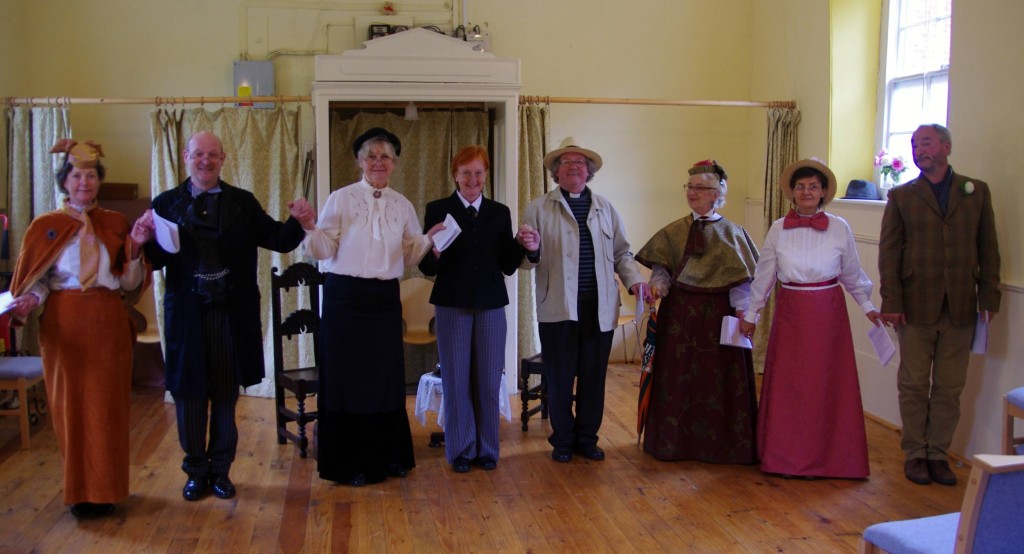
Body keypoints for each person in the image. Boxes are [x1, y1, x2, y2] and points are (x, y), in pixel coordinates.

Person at [143, 131, 314, 501]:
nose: (205, 161)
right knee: (188, 395)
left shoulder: (242, 202)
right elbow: (155, 262)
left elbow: (278, 239)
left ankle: (220, 471)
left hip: (228, 316)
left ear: (223, 159)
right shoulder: (166, 203)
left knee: (224, 394)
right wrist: (143, 239)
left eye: (213, 155)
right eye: (198, 154)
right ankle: (195, 470)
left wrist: (299, 221)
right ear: (187, 157)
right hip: (187, 317)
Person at [8, 140, 152, 518]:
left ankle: (107, 491)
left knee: (107, 409)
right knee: (70, 408)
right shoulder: (45, 227)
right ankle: (78, 492)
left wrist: (135, 250)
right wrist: (28, 300)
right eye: (76, 176)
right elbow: (38, 283)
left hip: (107, 323)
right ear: (65, 181)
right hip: (64, 326)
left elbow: (127, 284)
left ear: (99, 181)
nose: (84, 182)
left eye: (90, 175)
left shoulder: (115, 224)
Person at [304, 128, 444, 485]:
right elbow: (322, 250)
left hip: (384, 298)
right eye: (371, 156)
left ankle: (387, 458)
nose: (378, 162)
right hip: (344, 298)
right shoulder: (341, 198)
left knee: (383, 378)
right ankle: (349, 463)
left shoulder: (403, 204)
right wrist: (308, 227)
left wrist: (431, 238)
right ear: (360, 162)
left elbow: (411, 253)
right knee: (348, 379)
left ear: (394, 163)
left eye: (385, 156)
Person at [740, 159, 882, 480]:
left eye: (813, 187)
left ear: (823, 193)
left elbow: (852, 272)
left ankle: (835, 460)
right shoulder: (778, 229)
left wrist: (868, 305)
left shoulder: (839, 228)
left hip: (828, 315)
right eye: (801, 187)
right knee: (792, 387)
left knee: (828, 385)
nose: (806, 192)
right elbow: (764, 276)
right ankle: (785, 458)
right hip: (791, 314)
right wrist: (751, 314)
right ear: (792, 193)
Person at [878, 124, 1001, 486]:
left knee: (950, 387)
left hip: (962, 305)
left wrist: (989, 297)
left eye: (926, 143)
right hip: (914, 306)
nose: (919, 150)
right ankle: (915, 452)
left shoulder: (976, 192)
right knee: (914, 383)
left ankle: (938, 453)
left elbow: (988, 247)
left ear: (946, 146)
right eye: (914, 145)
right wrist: (891, 300)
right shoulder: (902, 196)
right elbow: (888, 253)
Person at [520, 137, 644, 463]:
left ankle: (587, 438)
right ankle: (562, 441)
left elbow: (622, 253)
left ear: (588, 172)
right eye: (566, 163)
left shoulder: (605, 208)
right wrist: (529, 247)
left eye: (579, 164)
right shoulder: (538, 207)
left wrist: (635, 283)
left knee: (593, 378)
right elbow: (526, 261)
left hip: (599, 308)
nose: (573, 168)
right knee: (559, 378)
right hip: (558, 307)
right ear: (555, 172)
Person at [418, 146, 538, 473]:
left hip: (490, 305)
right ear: (455, 175)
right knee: (456, 381)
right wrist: (434, 249)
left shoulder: (499, 212)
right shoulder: (438, 209)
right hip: (451, 305)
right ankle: (461, 449)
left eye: (479, 173)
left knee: (487, 381)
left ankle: (487, 449)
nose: (473, 179)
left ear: (486, 175)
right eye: (466, 172)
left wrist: (523, 246)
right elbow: (427, 266)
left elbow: (507, 265)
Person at [636, 160, 760, 464]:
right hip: (679, 318)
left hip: (719, 319)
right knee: (678, 381)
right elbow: (661, 270)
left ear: (717, 193)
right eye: (689, 187)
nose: (693, 192)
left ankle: (724, 446)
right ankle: (673, 444)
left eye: (701, 187)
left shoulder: (733, 233)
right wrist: (657, 288)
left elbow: (741, 282)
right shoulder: (673, 231)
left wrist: (745, 314)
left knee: (718, 382)